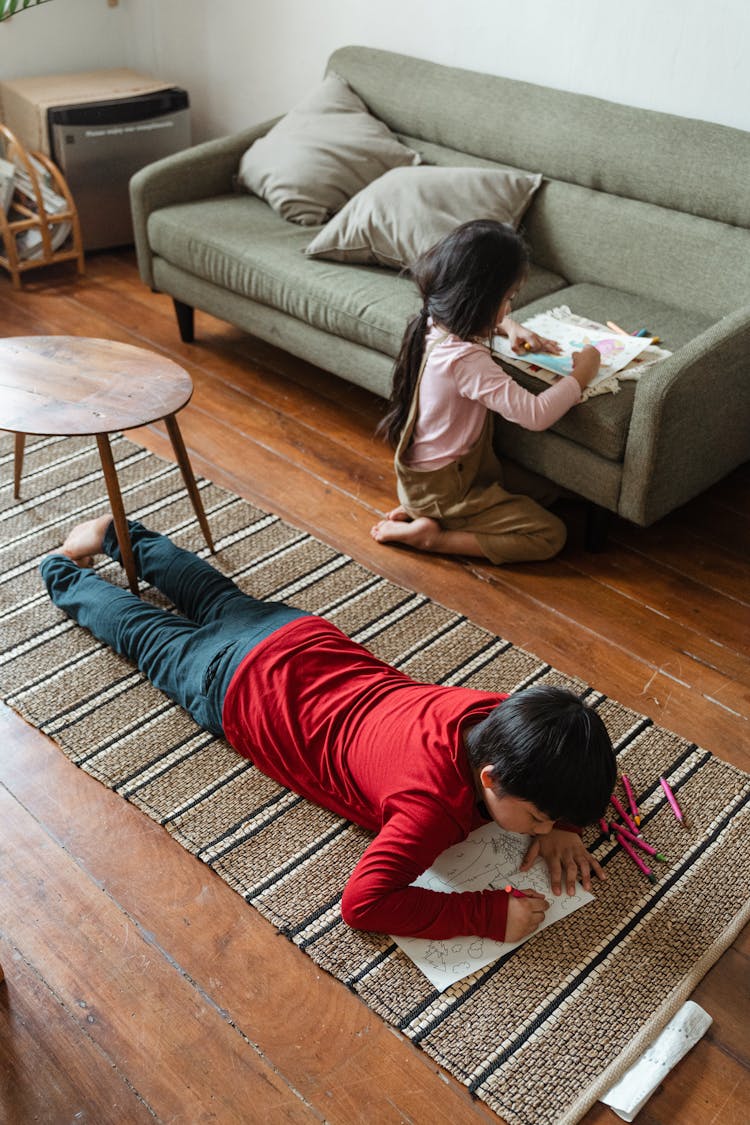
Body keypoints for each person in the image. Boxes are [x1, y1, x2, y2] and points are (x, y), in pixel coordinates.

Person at [40, 515, 616, 944]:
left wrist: (562, 823)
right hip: (233, 690)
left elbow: (561, 749)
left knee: (212, 594)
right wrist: (485, 915)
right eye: (538, 816)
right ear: (490, 777)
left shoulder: (494, 711)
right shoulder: (429, 810)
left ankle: (119, 534)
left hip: (299, 637)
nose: (535, 830)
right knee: (143, 635)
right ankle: (59, 571)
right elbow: (363, 905)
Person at [371, 219, 602, 563]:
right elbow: (535, 415)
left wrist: (509, 325)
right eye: (506, 299)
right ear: (478, 299)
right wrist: (583, 373)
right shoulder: (465, 360)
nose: (509, 307)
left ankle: (422, 510)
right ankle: (434, 536)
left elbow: (485, 316)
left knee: (554, 490)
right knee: (550, 534)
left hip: (444, 474)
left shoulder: (434, 322)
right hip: (451, 486)